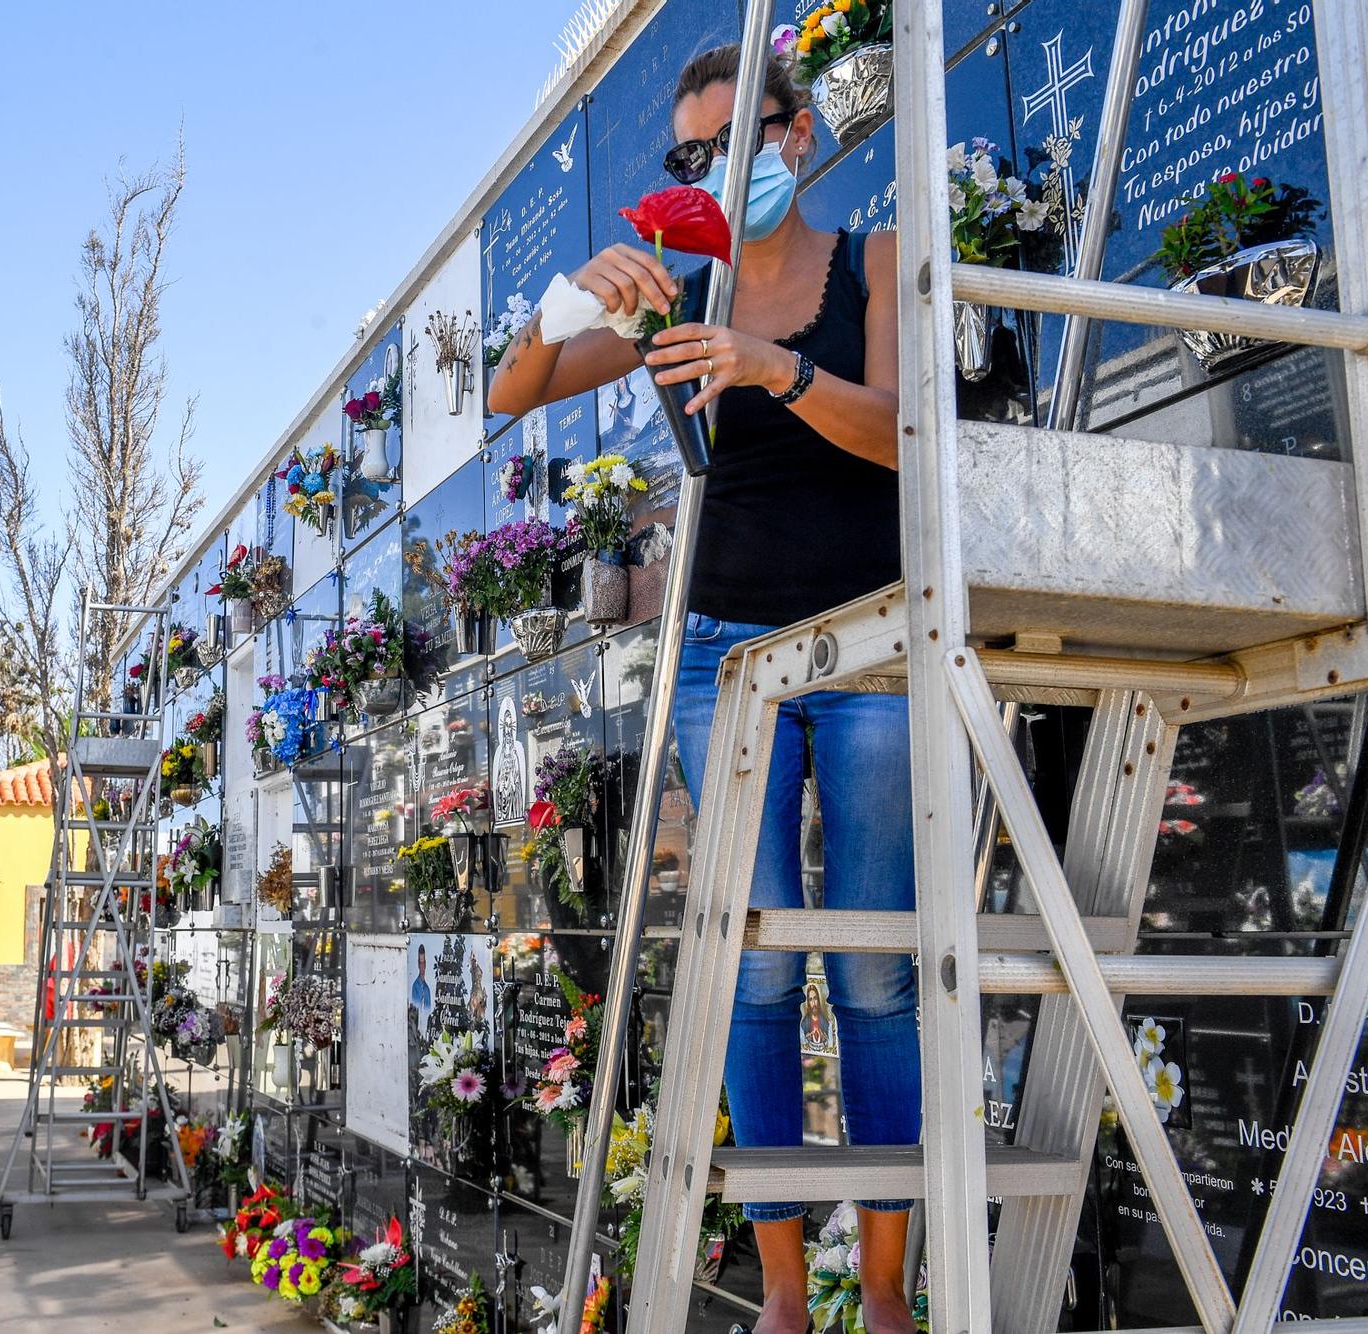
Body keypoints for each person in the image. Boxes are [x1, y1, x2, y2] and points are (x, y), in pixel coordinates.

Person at [488, 44, 918, 1334]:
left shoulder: (877, 264)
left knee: (879, 972)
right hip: (722, 651)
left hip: (871, 645)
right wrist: (570, 298)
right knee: (754, 966)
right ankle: (785, 1296)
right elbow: (513, 392)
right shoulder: (673, 299)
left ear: (796, 136)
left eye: (732, 139)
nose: (710, 171)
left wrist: (768, 365)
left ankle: (886, 1297)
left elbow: (904, 430)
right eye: (686, 156)